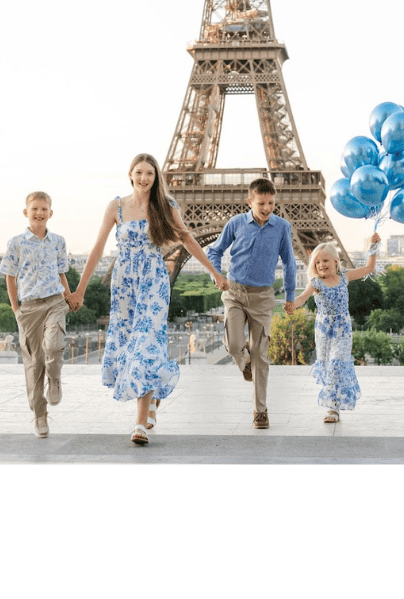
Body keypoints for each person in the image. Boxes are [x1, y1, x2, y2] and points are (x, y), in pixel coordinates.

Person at [68, 153, 228, 446]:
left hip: (153, 280)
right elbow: (98, 249)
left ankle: (140, 423)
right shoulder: (116, 206)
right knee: (130, 343)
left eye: (150, 174)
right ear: (130, 174)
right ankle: (151, 400)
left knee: (146, 343)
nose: (144, 178)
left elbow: (187, 239)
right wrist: (79, 289)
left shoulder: (165, 206)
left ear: (156, 178)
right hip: (124, 282)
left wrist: (214, 273)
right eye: (139, 172)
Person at [206, 177, 297, 429]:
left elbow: (290, 262)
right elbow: (214, 251)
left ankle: (260, 410)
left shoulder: (282, 227)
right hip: (234, 292)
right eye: (261, 203)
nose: (267, 208)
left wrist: (290, 296)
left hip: (263, 297)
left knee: (261, 355)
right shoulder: (235, 223)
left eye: (271, 203)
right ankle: (243, 361)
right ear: (250, 201)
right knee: (234, 344)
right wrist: (216, 274)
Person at [0, 191, 73, 438]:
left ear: (50, 213)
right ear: (26, 213)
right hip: (29, 308)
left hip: (55, 302)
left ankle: (55, 378)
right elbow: (10, 277)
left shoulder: (58, 241)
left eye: (44, 209)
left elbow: (62, 272)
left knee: (54, 347)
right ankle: (39, 416)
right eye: (35, 209)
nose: (39, 213)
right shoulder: (16, 243)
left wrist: (70, 297)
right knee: (33, 365)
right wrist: (16, 310)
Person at [292, 235, 380, 423]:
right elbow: (302, 298)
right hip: (323, 331)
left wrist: (373, 246)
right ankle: (333, 406)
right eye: (317, 262)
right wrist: (293, 305)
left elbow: (369, 268)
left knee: (336, 364)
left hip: (342, 329)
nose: (321, 265)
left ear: (335, 261)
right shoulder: (315, 283)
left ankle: (333, 408)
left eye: (325, 260)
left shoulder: (344, 277)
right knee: (327, 365)